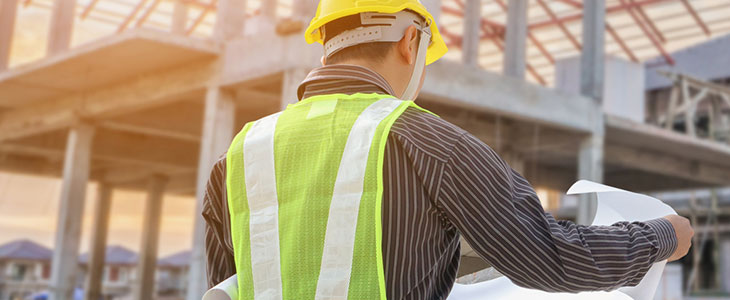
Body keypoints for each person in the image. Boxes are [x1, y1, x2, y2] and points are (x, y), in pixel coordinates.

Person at [200, 0, 693, 299]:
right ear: (410, 43)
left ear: (326, 43)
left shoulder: (238, 158)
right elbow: (551, 258)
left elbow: (232, 287)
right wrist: (661, 236)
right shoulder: (434, 146)